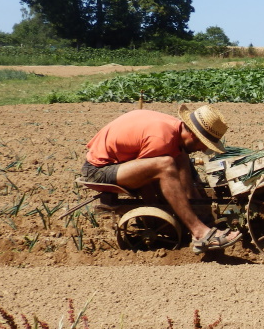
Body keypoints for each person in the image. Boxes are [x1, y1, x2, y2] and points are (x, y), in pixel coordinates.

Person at [82, 104, 241, 254]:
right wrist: (159, 215)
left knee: (180, 155)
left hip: (122, 164)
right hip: (99, 170)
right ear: (193, 135)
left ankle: (201, 213)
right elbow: (147, 182)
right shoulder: (161, 138)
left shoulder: (174, 130)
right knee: (165, 164)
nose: (204, 149)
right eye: (204, 144)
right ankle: (199, 232)